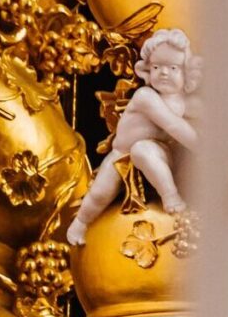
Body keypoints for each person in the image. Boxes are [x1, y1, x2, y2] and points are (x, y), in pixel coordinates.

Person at [68, 29, 201, 245]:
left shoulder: (184, 102)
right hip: (122, 154)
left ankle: (172, 197)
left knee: (144, 150)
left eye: (173, 68)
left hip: (157, 152)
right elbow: (173, 125)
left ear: (187, 73)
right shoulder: (145, 97)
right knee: (99, 194)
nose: (164, 73)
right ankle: (80, 223)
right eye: (156, 67)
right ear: (145, 71)